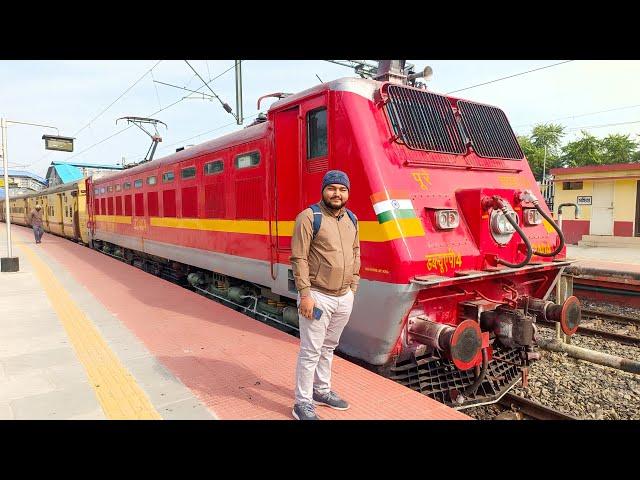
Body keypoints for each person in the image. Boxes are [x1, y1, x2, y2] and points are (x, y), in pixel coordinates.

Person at [289, 170, 360, 420]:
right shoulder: (309, 217)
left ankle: (321, 391)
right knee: (311, 350)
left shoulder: (351, 219)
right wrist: (305, 294)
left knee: (328, 347)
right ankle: (302, 402)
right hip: (317, 295)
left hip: (343, 297)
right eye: (332, 188)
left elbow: (355, 252)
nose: (337, 194)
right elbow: (298, 258)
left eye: (342, 189)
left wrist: (353, 286)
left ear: (347, 193)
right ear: (323, 190)